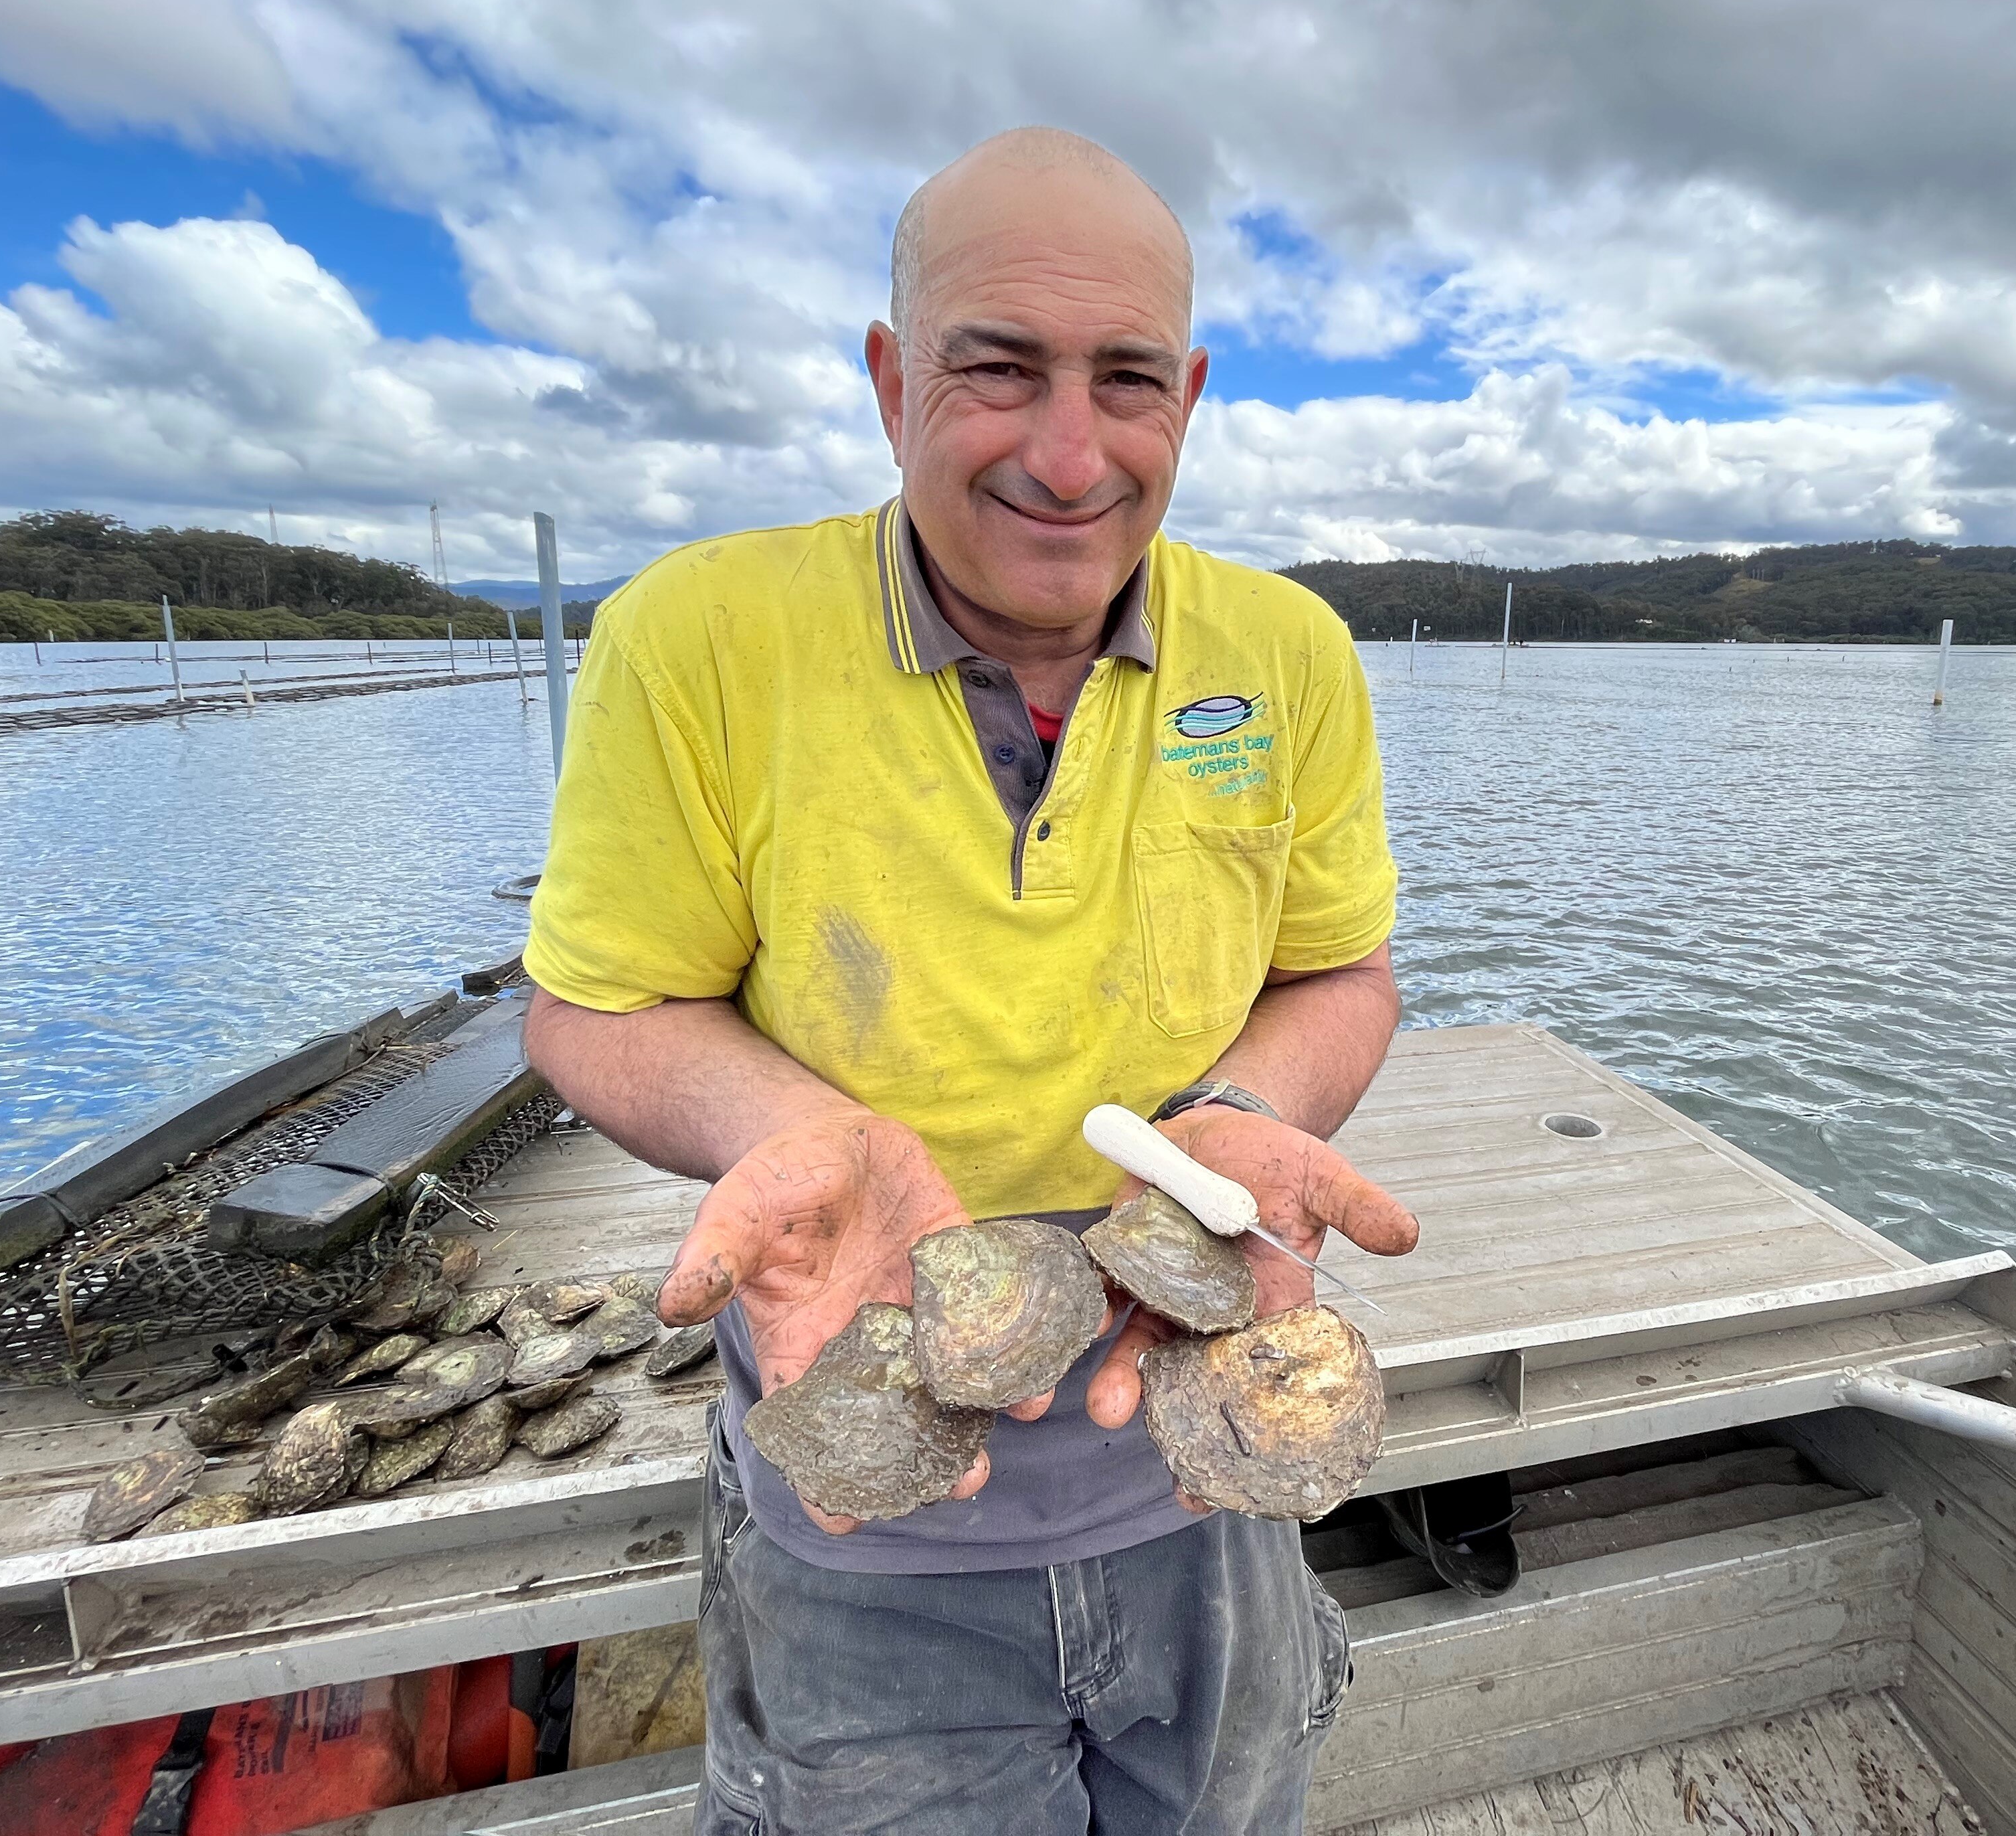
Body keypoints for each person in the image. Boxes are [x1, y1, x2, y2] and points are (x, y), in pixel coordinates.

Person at [521, 126, 1417, 1835]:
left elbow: (1342, 974)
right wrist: (810, 1135)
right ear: (888, 378)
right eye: (997, 371)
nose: (1071, 457)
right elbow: (593, 1002)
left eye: (1128, 383)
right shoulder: (695, 636)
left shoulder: (1290, 654)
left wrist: (1239, 1116)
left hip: (1204, 1476)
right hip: (859, 1504)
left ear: (1193, 395)